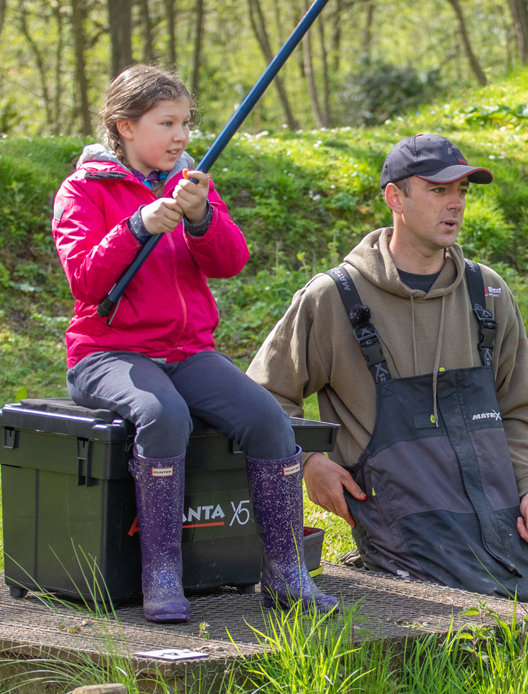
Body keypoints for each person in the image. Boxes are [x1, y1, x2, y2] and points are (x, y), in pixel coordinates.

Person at [248, 134, 528, 634]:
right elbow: (262, 398)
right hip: (406, 529)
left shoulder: (487, 292)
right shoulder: (334, 298)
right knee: (487, 627)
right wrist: (308, 463)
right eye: (437, 189)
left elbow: (520, 409)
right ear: (395, 198)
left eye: (463, 191)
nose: (455, 203)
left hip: (498, 517)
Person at [51, 65, 337, 623]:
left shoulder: (191, 183)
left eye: (186, 122)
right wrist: (137, 226)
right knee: (164, 415)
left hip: (187, 350)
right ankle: (161, 576)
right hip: (107, 354)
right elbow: (84, 279)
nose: (182, 136)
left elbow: (231, 262)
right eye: (167, 123)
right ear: (124, 126)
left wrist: (201, 215)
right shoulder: (84, 191)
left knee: (268, 419)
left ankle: (285, 572)